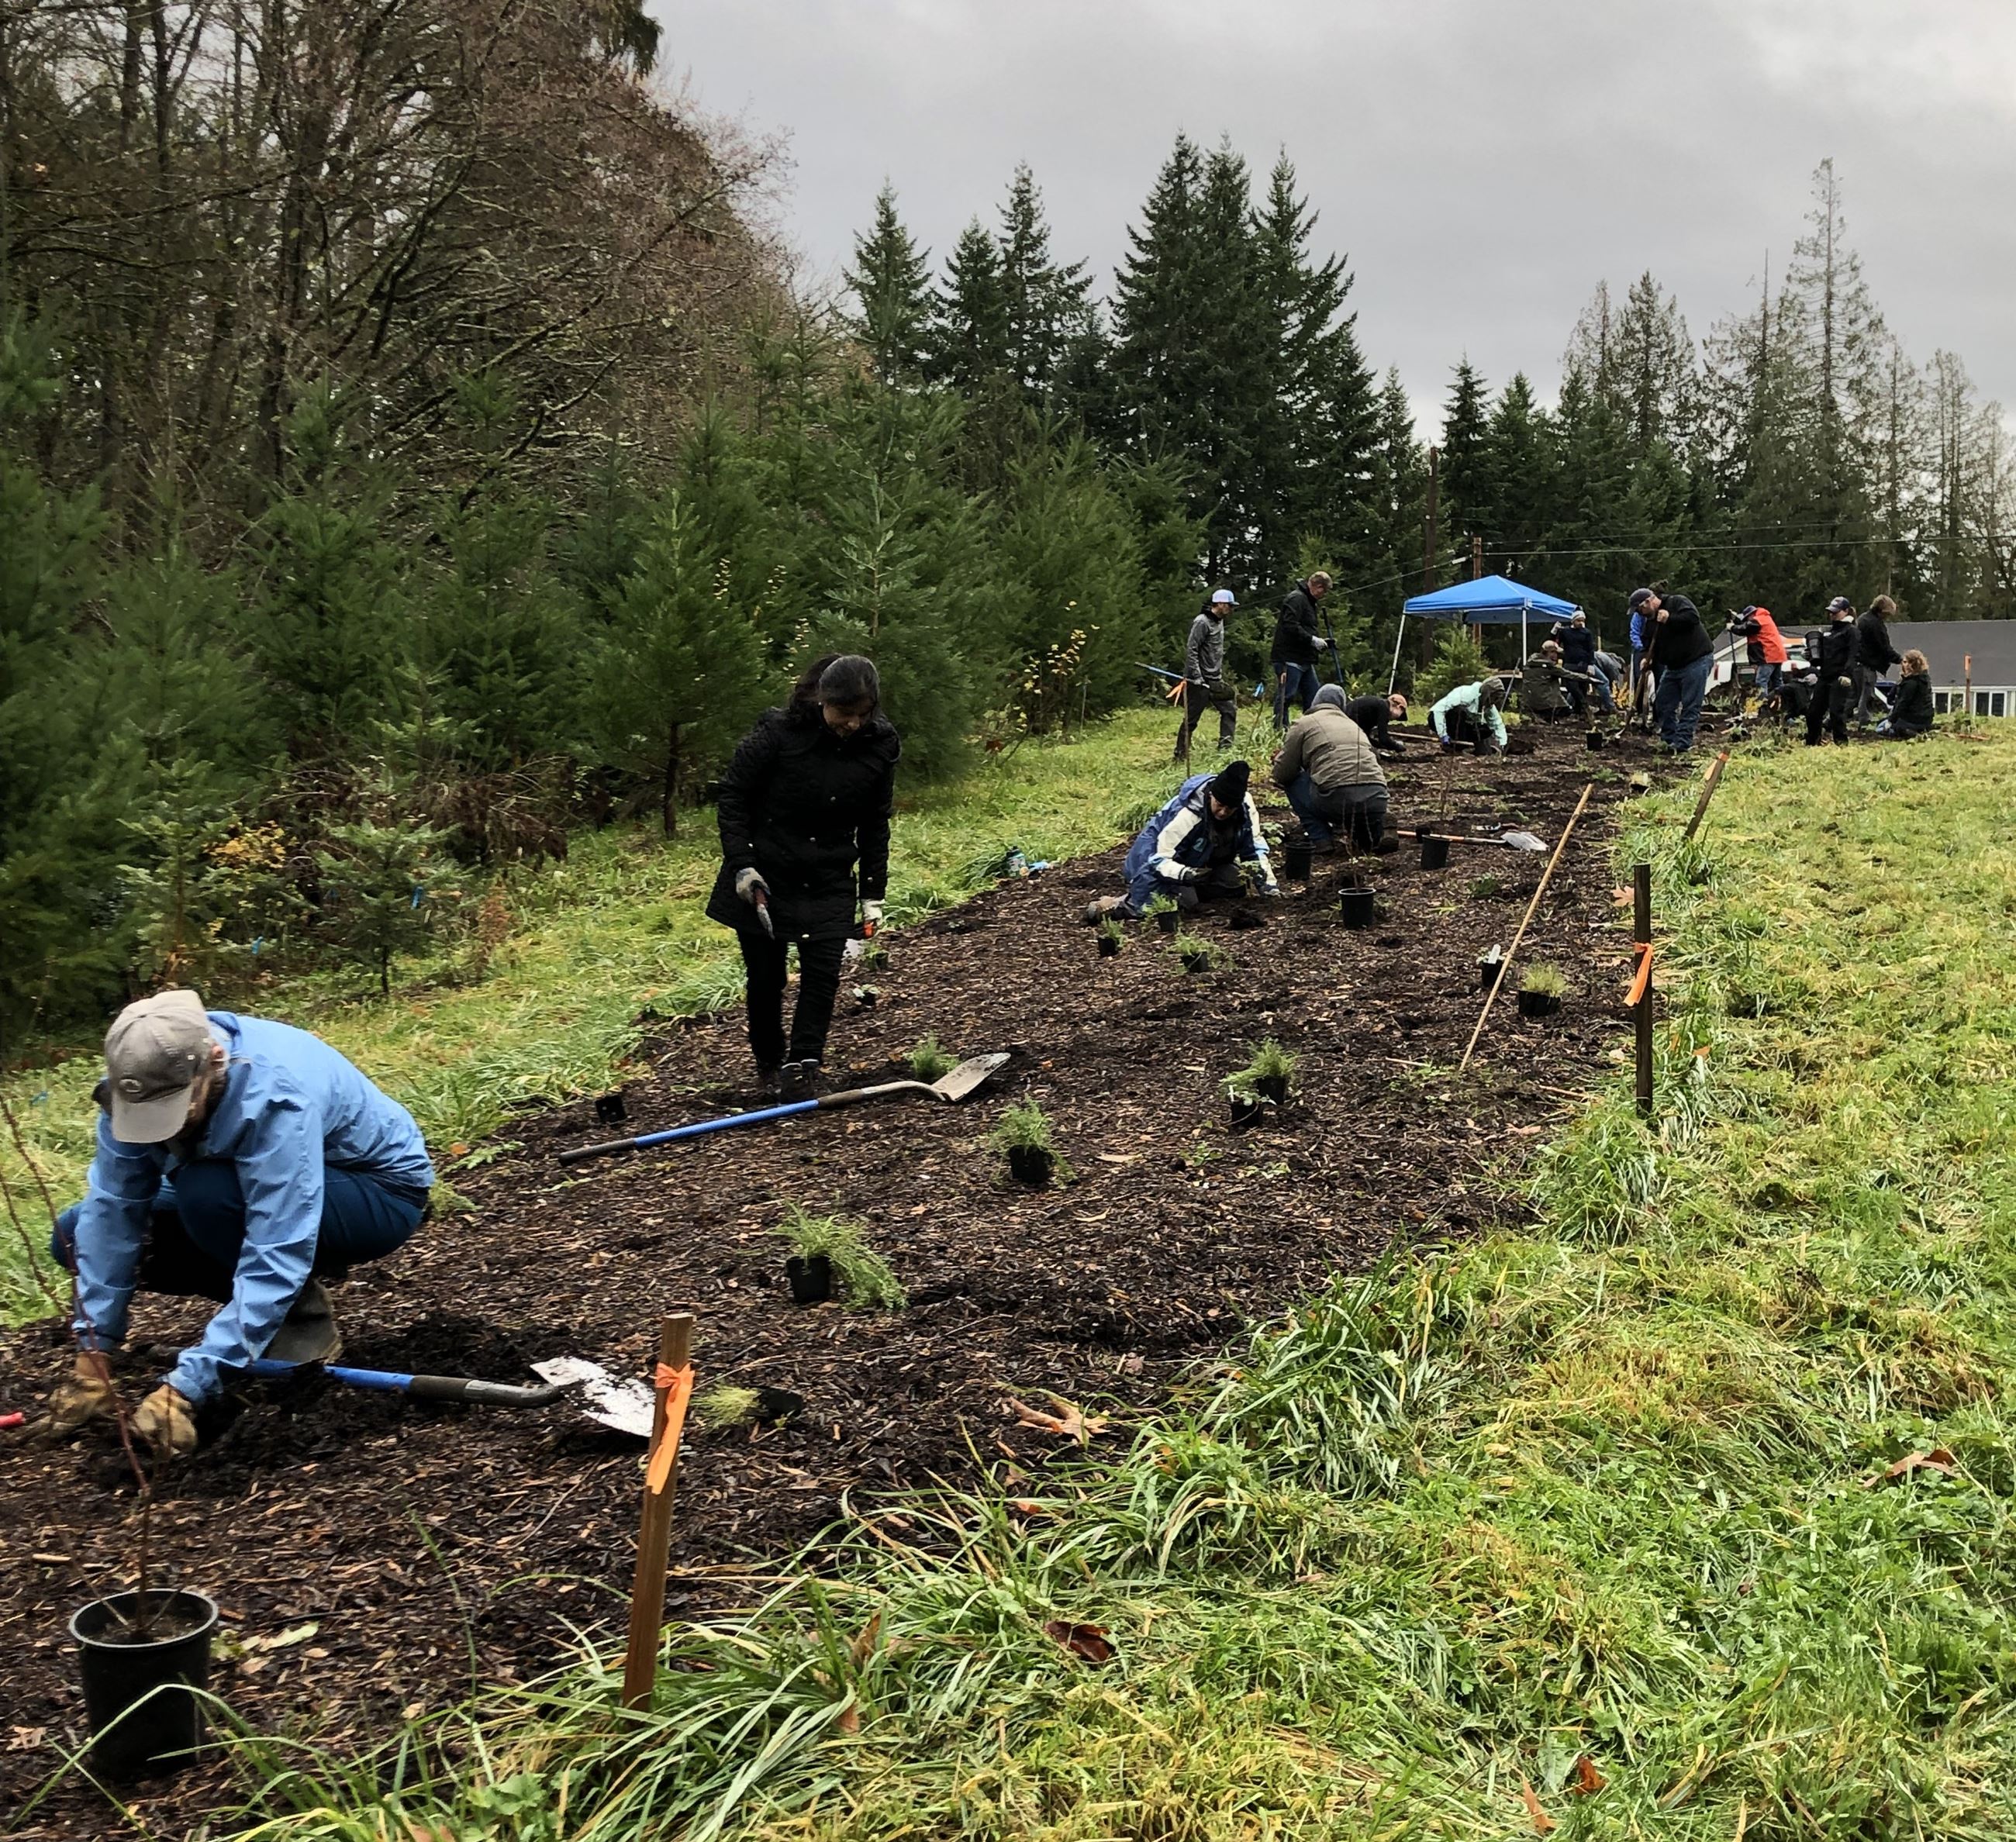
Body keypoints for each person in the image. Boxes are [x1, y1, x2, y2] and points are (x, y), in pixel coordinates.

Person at [43, 990, 433, 1454]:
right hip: (247, 1184)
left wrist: (187, 1387)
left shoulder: (274, 1094)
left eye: (176, 1112)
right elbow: (113, 1213)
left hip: (375, 1192)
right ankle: (251, 1320)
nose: (163, 1131)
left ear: (213, 1062)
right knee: (74, 1231)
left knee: (207, 1194)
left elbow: (279, 1244)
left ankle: (298, 1322)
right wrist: (94, 1354)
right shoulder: (136, 1084)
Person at [708, 654, 899, 1101]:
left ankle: (804, 1065)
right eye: (842, 713)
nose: (852, 723)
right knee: (766, 975)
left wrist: (873, 892)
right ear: (820, 700)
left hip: (830, 872)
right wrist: (741, 864)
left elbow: (875, 821)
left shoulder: (880, 745)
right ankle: (770, 1064)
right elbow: (733, 797)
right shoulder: (776, 735)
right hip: (766, 868)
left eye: (861, 714)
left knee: (822, 970)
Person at [1086, 758, 1279, 922]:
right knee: (1167, 905)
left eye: (1230, 809)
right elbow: (1158, 859)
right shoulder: (1187, 815)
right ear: (1211, 795)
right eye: (1219, 805)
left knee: (1236, 883)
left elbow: (1253, 849)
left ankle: (1188, 891)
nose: (1223, 812)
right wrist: (1186, 874)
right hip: (1152, 861)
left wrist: (1269, 887)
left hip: (1199, 862)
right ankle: (1115, 903)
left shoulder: (1244, 810)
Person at [1272, 685, 1389, 850]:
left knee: (1294, 781)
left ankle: (1320, 838)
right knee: (1363, 837)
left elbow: (1284, 772)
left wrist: (1278, 764)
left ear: (1316, 702)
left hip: (1336, 799)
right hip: (1377, 796)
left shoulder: (1304, 723)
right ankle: (1375, 832)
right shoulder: (1353, 726)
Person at [1634, 586, 1714, 754]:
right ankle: (1669, 740)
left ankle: (1682, 744)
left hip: (1696, 660)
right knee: (1663, 702)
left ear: (1648, 601)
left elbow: (1693, 618)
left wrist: (1670, 618)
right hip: (1673, 667)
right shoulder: (1650, 624)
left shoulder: (1677, 602)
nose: (1639, 613)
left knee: (1690, 704)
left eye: (1640, 609)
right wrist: (1646, 659)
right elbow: (1650, 645)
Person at [1174, 588, 1238, 759]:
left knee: (1229, 710)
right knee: (1191, 720)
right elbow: (1192, 650)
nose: (1231, 609)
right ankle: (1180, 754)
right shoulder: (1201, 622)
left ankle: (1226, 748)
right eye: (1229, 606)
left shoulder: (1220, 622)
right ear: (1220, 604)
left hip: (1215, 679)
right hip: (1199, 680)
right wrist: (1196, 676)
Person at [1270, 571, 1332, 730]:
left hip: (1304, 659)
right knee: (1286, 696)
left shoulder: (1308, 601)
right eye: (1324, 591)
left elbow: (1305, 627)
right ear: (1318, 586)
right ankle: (1279, 730)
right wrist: (1312, 640)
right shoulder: (1296, 599)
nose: (1323, 595)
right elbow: (1290, 626)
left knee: (1313, 698)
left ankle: (1311, 730)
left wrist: (1321, 643)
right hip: (1289, 657)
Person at [1806, 602, 1859, 747]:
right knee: (1813, 713)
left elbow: (1853, 654)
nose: (1832, 615)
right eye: (1831, 612)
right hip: (1825, 676)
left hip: (1840, 677)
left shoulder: (1851, 631)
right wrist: (1811, 656)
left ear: (1846, 611)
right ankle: (1812, 743)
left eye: (1835, 612)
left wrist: (1847, 674)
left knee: (1836, 713)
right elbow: (1821, 657)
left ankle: (1842, 744)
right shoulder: (1827, 633)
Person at [1854, 594, 1903, 730]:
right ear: (1882, 611)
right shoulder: (1875, 625)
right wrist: (1900, 660)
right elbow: (1884, 647)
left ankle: (1851, 718)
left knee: (1857, 694)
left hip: (1857, 663)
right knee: (1866, 694)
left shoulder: (1863, 619)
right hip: (1867, 665)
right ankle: (1864, 721)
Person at [1729, 605, 1790, 714]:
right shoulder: (1765, 618)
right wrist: (1736, 619)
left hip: (1768, 655)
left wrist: (1732, 628)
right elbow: (1747, 625)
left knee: (1761, 682)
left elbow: (1745, 628)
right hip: (1776, 655)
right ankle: (1782, 707)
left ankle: (1763, 708)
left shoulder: (1757, 621)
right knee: (1777, 684)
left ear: (1751, 615)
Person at [1554, 610, 1612, 715]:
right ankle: (1571, 709)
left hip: (1584, 664)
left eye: (1583, 620)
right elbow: (1553, 642)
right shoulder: (1565, 632)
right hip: (1570, 664)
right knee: (1573, 688)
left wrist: (1591, 664)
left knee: (1590, 685)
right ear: (1573, 621)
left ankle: (1610, 707)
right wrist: (1554, 632)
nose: (1581, 623)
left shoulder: (1586, 633)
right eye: (1579, 620)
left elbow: (1590, 649)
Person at [1429, 677, 1508, 753]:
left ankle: (1475, 748)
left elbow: (1497, 724)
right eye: (1494, 697)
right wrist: (1443, 734)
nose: (1495, 701)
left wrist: (1502, 744)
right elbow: (1439, 711)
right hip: (1438, 718)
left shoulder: (1489, 706)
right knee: (1460, 712)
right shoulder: (1466, 695)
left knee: (1485, 730)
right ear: (1487, 693)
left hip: (1461, 726)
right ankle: (1455, 746)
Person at [1877, 648, 1934, 739]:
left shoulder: (1911, 683)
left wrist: (1891, 721)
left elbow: (1902, 703)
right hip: (1925, 718)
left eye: (1905, 662)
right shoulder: (1924, 679)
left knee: (1882, 729)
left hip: (1913, 717)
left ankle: (1913, 734)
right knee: (1882, 724)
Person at [1520, 640, 1575, 720]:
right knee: (1566, 711)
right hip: (1548, 704)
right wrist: (1592, 679)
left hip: (1529, 702)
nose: (1556, 656)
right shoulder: (1550, 668)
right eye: (1555, 653)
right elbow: (1571, 675)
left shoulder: (1529, 665)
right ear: (1549, 653)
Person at [1344, 691, 1408, 751]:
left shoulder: (1375, 707)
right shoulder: (1383, 707)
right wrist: (1398, 747)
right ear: (1399, 707)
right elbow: (1383, 739)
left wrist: (1380, 746)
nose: (1393, 720)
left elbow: (1366, 737)